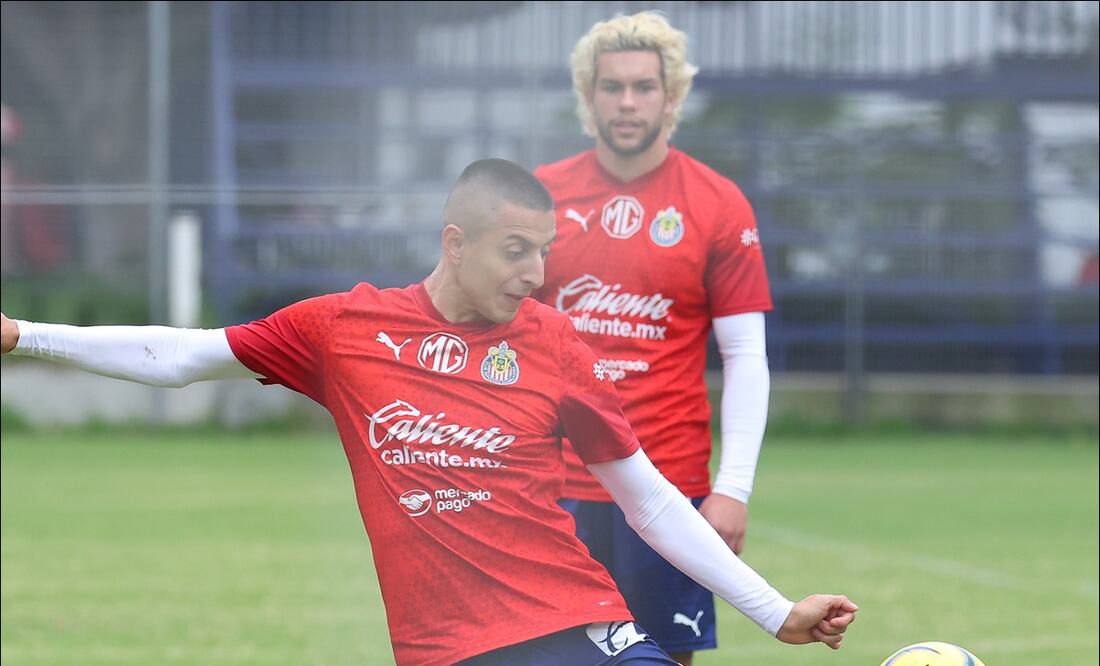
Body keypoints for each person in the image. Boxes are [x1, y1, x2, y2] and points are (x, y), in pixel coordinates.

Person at [1, 159, 856, 666]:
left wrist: (775, 610)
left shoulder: (554, 343)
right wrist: (22, 336)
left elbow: (649, 499)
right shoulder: (343, 330)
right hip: (453, 650)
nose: (533, 274)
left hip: (579, 626)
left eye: (545, 255)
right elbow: (181, 356)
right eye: (514, 251)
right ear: (456, 242)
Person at [533, 12, 775, 664]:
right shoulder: (539, 198)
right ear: (588, 97)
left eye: (644, 87)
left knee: (665, 658)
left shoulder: (718, 204)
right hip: (551, 485)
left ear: (672, 97)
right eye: (612, 87)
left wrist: (734, 487)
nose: (628, 102)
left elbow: (746, 356)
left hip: (669, 485)